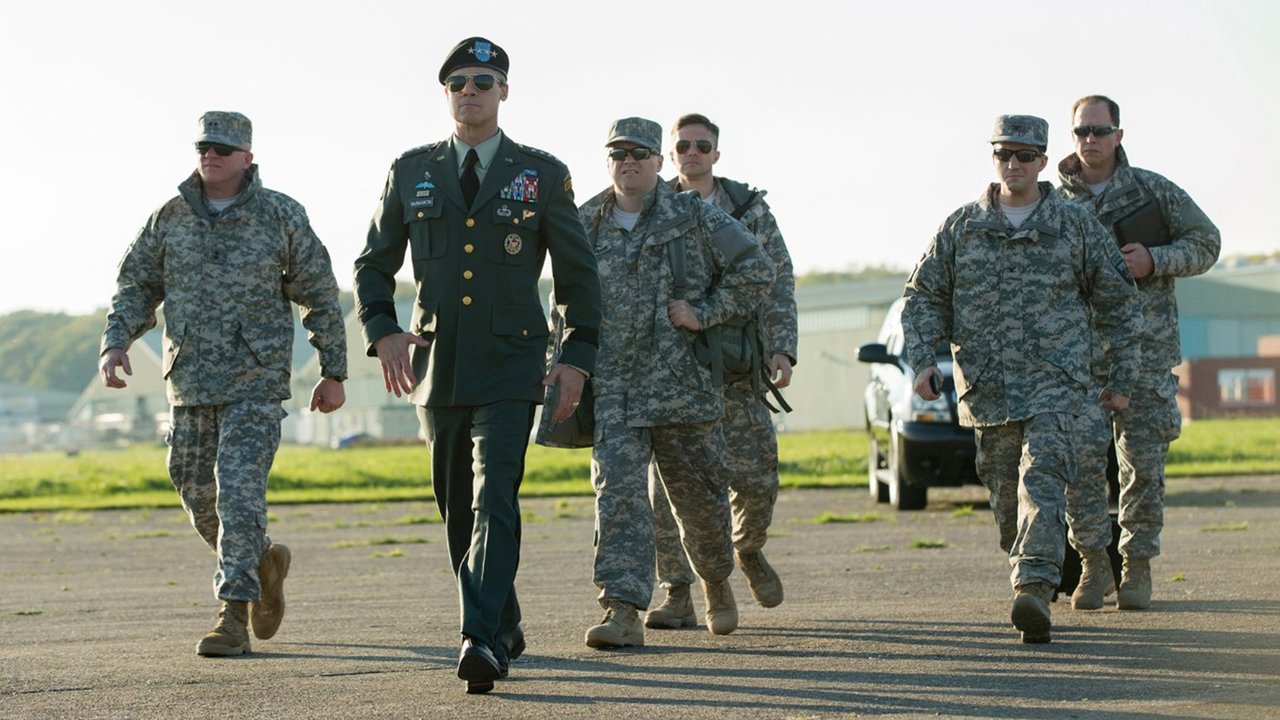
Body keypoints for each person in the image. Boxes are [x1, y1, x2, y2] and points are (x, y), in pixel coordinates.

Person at [352, 37, 601, 694]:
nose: (470, 92)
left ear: (504, 92)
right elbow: (373, 265)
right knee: (457, 510)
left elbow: (578, 278)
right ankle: (505, 623)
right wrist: (383, 332)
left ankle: (479, 640)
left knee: (495, 496)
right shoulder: (412, 171)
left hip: (513, 365)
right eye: (458, 82)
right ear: (446, 94)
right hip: (437, 367)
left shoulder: (541, 174)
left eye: (483, 82)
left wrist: (575, 359)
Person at [99, 110, 348, 657]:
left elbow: (319, 294)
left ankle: (233, 615)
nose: (210, 155)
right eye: (203, 147)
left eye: (222, 148)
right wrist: (115, 343)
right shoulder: (169, 217)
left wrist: (333, 370)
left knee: (238, 492)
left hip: (255, 381)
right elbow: (136, 285)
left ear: (247, 158)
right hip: (188, 381)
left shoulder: (280, 214)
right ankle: (263, 562)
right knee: (194, 489)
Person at [901, 114, 1140, 643]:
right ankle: (1041, 567)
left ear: (1042, 161)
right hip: (987, 390)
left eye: (1025, 156)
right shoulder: (962, 227)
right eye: (1004, 154)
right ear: (993, 158)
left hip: (1057, 386)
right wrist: (923, 361)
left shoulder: (1074, 226)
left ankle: (1032, 591)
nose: (1014, 164)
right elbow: (922, 297)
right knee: (1008, 502)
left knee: (1043, 483)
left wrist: (1122, 377)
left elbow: (1120, 302)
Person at [577, 116, 774, 649]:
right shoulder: (585, 221)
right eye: (619, 153)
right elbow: (566, 300)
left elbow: (758, 270)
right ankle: (622, 610)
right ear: (608, 161)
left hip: (684, 388)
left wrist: (705, 312)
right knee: (617, 497)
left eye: (640, 153)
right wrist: (564, 364)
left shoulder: (693, 215)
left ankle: (715, 579)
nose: (629, 162)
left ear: (658, 162)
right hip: (615, 388)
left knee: (701, 505)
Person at [1057, 95, 1221, 611]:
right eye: (1081, 131)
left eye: (1100, 130)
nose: (1090, 140)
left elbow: (1207, 242)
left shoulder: (1153, 191)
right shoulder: (1054, 203)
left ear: (1119, 135)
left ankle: (1137, 566)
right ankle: (1093, 564)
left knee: (1143, 468)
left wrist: (1156, 259)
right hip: (1079, 359)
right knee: (1080, 468)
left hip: (1146, 355)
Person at [646, 113, 797, 630]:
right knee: (669, 492)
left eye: (702, 146)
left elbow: (778, 279)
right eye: (683, 146)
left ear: (716, 153)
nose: (692, 153)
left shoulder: (749, 209)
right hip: (672, 370)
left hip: (736, 365)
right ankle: (678, 592)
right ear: (670, 155)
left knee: (756, 478)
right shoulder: (651, 206)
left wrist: (783, 349)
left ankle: (747, 548)